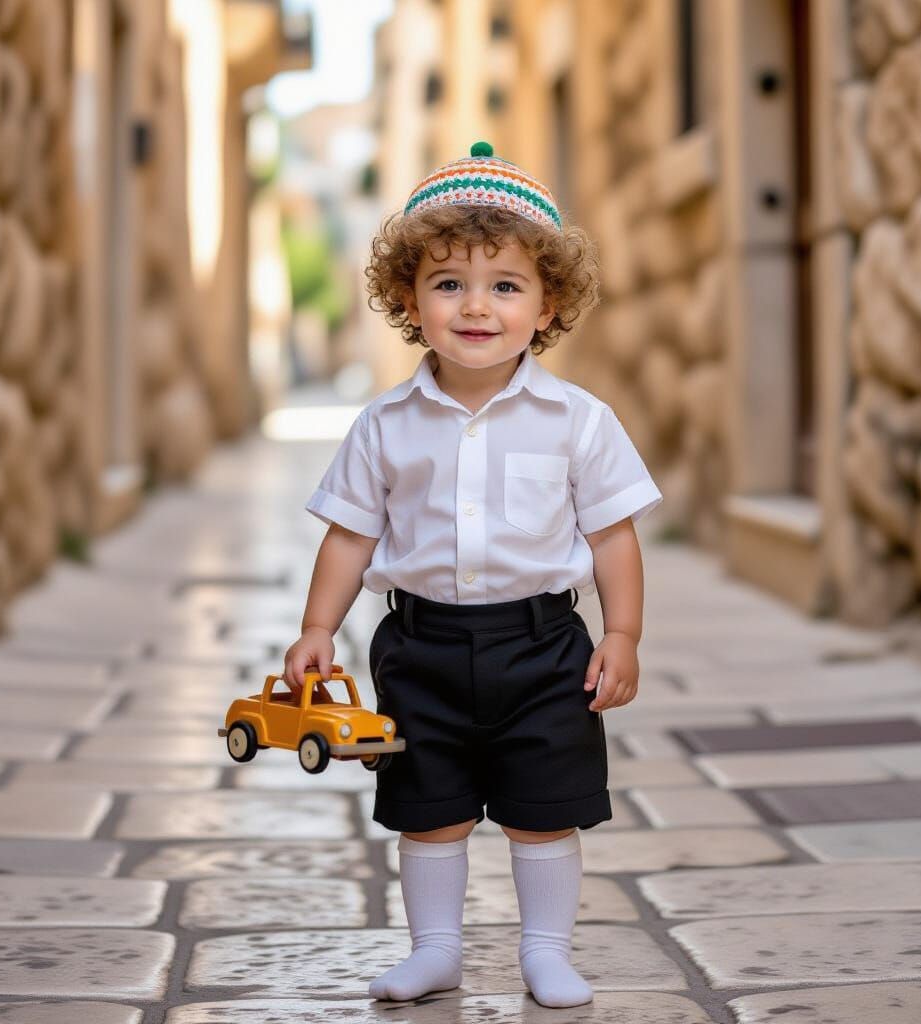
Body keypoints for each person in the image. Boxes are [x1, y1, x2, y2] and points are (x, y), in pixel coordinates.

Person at [283, 141, 662, 1008]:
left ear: (548, 301)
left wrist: (625, 634)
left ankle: (547, 950)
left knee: (544, 809)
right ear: (408, 298)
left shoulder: (578, 420)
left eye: (506, 285)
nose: (476, 306)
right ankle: (436, 950)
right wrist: (316, 627)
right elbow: (348, 537)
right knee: (431, 808)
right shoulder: (384, 425)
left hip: (543, 648)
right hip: (419, 646)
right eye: (449, 283)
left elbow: (613, 536)